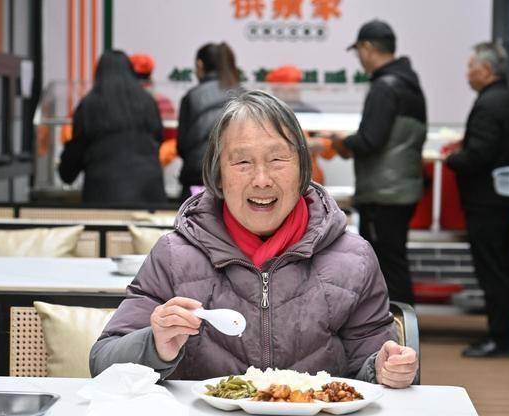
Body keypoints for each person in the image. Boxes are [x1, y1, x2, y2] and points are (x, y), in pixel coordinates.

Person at [90, 90, 419, 388]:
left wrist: (383, 369)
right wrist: (155, 345)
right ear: (218, 174)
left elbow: (370, 367)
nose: (262, 180)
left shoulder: (354, 259)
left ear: (303, 170)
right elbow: (102, 362)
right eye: (242, 162)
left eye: (277, 160)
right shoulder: (175, 257)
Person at [329, 20, 427, 306]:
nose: (359, 58)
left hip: (384, 193)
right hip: (401, 189)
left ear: (368, 47)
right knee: (394, 261)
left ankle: (399, 327)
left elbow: (371, 140)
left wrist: (342, 142)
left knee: (387, 268)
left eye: (358, 51)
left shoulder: (384, 87)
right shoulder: (409, 83)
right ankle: (403, 324)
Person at [445, 42, 509, 358]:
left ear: (486, 70)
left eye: (471, 67)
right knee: (500, 267)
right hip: (503, 198)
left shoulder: (488, 104)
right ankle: (501, 333)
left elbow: (479, 155)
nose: (467, 73)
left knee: (491, 270)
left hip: (485, 200)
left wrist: (453, 158)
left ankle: (499, 338)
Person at [59, 50, 167, 205]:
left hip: (103, 194)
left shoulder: (89, 104)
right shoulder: (147, 101)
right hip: (149, 192)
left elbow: (77, 147)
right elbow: (159, 138)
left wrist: (66, 172)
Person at [177, 42, 242, 202]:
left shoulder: (192, 96)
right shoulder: (243, 94)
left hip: (197, 178)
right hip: (234, 179)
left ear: (200, 65)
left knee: (196, 217)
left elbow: (182, 145)